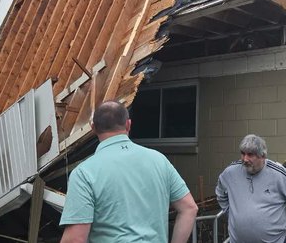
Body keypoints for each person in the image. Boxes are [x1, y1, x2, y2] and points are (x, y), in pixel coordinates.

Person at [60, 101, 198, 243]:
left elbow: (75, 239)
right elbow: (189, 208)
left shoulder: (84, 173)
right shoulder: (159, 160)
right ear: (128, 124)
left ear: (93, 128)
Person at [216, 134, 286, 243]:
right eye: (243, 154)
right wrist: (230, 212)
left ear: (262, 156)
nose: (245, 159)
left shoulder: (278, 173)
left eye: (250, 155)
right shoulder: (231, 172)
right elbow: (220, 192)